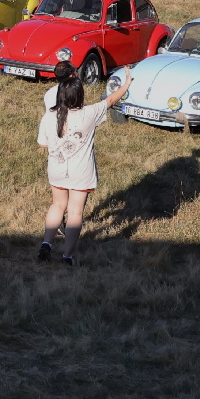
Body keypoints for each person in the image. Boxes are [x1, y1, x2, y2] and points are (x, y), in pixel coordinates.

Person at [36, 67, 126, 266]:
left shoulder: (49, 116)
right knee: (75, 212)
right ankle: (67, 256)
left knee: (57, 205)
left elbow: (43, 144)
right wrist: (126, 83)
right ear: (80, 95)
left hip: (57, 169)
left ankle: (46, 244)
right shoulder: (90, 113)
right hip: (81, 172)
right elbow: (111, 100)